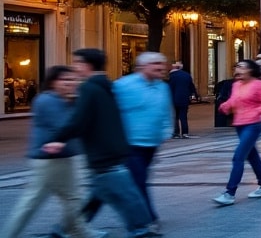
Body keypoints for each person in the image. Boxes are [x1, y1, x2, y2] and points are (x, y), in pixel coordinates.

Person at [44, 48, 153, 238]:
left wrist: (57, 138)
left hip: (102, 152)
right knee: (99, 193)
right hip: (114, 148)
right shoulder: (108, 85)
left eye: (77, 62)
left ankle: (140, 229)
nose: (75, 67)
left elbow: (78, 119)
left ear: (87, 65)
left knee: (126, 195)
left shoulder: (88, 88)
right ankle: (64, 229)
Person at [1, 65, 102, 238]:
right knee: (32, 203)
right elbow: (66, 126)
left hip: (63, 158)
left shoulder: (66, 100)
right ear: (54, 82)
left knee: (72, 199)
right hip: (49, 160)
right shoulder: (47, 100)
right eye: (65, 80)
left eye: (73, 80)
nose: (71, 83)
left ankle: (81, 231)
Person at [84, 52, 172, 231]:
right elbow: (107, 109)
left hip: (151, 144)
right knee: (139, 180)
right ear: (142, 66)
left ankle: (75, 222)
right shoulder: (123, 85)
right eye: (155, 63)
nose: (161, 67)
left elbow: (165, 111)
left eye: (162, 63)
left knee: (105, 187)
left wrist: (166, 130)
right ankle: (147, 220)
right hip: (129, 144)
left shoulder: (163, 87)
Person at [214, 59, 261, 205]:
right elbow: (234, 101)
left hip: (254, 124)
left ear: (250, 70)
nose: (237, 69)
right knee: (252, 156)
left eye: (241, 67)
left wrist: (255, 112)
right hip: (240, 124)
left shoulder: (258, 84)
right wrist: (225, 106)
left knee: (238, 157)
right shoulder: (236, 85)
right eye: (237, 67)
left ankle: (229, 193)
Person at [166, 60, 198, 139]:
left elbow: (169, 89)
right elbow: (191, 86)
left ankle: (176, 133)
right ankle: (185, 132)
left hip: (174, 99)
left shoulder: (171, 76)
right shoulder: (186, 75)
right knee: (183, 116)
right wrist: (194, 95)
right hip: (184, 99)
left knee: (175, 116)